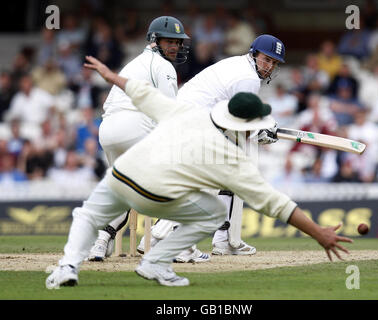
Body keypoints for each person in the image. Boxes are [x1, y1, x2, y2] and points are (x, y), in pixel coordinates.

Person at [45, 56, 353, 289]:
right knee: (213, 211)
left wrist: (111, 75)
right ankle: (155, 261)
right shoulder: (232, 159)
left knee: (86, 215)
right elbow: (277, 204)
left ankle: (67, 267)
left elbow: (143, 94)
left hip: (121, 176)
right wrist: (320, 233)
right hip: (157, 194)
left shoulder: (186, 110)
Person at [137, 34, 285, 258]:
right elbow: (240, 117)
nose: (269, 66)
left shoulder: (238, 65)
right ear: (254, 54)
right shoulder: (248, 78)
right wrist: (260, 132)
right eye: (267, 59)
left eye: (274, 63)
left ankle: (224, 240)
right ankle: (162, 237)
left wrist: (258, 129)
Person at [87, 16, 196, 262]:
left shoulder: (133, 63)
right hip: (135, 127)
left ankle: (100, 242)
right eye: (170, 42)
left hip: (108, 130)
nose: (175, 47)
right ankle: (167, 241)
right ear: (154, 40)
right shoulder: (164, 66)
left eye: (178, 43)